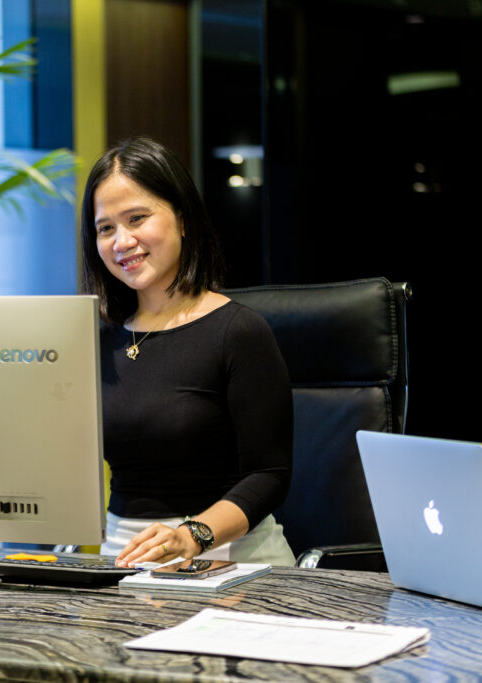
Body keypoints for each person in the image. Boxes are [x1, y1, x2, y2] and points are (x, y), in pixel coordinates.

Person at [80, 136, 295, 568]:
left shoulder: (239, 331)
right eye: (106, 228)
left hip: (232, 556)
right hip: (123, 557)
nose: (121, 241)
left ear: (182, 219)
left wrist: (191, 535)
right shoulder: (97, 339)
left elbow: (269, 475)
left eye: (137, 218)